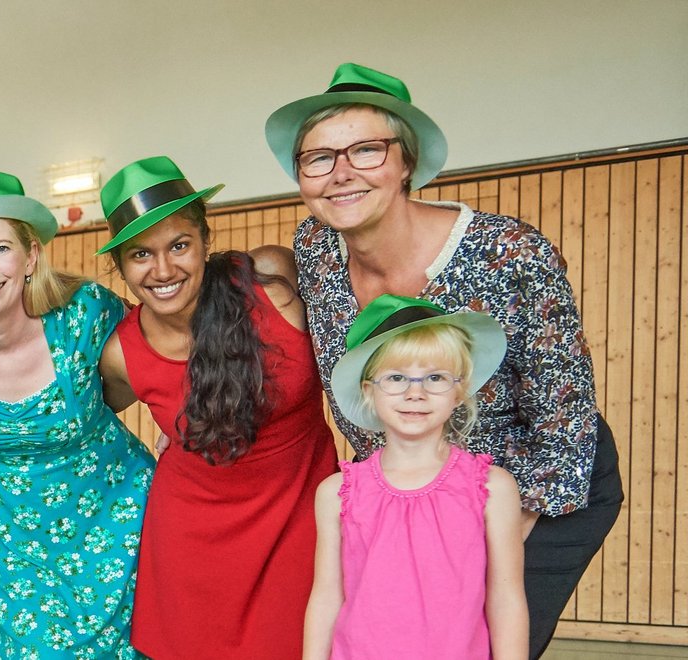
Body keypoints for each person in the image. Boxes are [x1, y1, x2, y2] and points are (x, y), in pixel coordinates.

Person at [268, 62, 621, 656]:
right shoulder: (314, 247)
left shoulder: (509, 251)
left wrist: (483, 536)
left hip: (534, 479)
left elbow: (566, 422)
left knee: (477, 639)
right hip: (403, 477)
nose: (342, 173)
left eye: (367, 150)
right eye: (319, 157)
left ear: (407, 162)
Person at [93, 157, 336, 659]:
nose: (162, 270)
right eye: (140, 254)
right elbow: (91, 421)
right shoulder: (121, 353)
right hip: (191, 542)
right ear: (120, 266)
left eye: (179, 245)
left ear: (205, 239)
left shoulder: (272, 281)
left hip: (301, 523)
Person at [0, 170, 152, 658]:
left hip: (115, 526)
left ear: (30, 257)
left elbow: (156, 357)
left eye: (0, 248)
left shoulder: (86, 313)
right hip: (8, 551)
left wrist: (179, 422)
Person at [303, 295, 528, 659]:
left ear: (459, 390)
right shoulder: (338, 493)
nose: (415, 393)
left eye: (435, 377)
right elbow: (327, 596)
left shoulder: (492, 488)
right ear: (368, 390)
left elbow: (506, 599)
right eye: (396, 377)